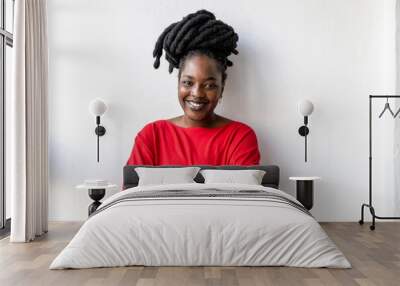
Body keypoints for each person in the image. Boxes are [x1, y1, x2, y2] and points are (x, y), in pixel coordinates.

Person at [126, 9, 260, 166]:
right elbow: (133, 190)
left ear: (222, 88)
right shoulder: (152, 136)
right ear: (178, 83)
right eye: (188, 83)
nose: (197, 93)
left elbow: (245, 191)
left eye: (209, 85)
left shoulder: (240, 137)